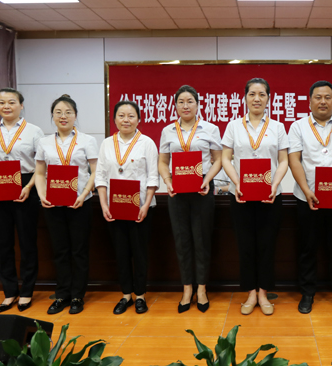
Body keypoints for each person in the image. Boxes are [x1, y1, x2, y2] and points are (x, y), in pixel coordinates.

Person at [288, 80, 332, 315]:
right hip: (307, 198)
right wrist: (306, 190)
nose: (323, 101)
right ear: (310, 101)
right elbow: (294, 159)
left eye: (328, 97)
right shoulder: (298, 127)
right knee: (307, 248)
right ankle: (307, 293)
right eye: (318, 97)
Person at [221, 78, 289, 316]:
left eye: (261, 94)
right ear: (245, 98)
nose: (257, 99)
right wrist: (237, 183)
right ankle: (251, 292)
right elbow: (225, 158)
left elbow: (283, 160)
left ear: (269, 98)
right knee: (246, 245)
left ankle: (263, 293)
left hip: (270, 195)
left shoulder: (278, 127)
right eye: (252, 94)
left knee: (267, 245)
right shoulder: (233, 126)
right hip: (241, 195)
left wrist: (275, 184)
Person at [0, 88, 44, 312]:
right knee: (3, 243)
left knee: (27, 242)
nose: (6, 106)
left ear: (21, 105)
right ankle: (10, 291)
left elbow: (42, 165)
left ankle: (27, 292)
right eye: (1, 102)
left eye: (11, 102)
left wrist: (29, 186)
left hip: (25, 185)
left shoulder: (34, 131)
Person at [158, 85, 223, 313]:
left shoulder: (210, 129)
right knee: (182, 240)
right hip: (177, 189)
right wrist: (167, 181)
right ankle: (187, 289)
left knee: (202, 239)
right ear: (175, 106)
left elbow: (218, 159)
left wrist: (208, 180)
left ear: (197, 104)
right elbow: (163, 161)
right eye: (181, 102)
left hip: (202, 187)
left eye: (190, 101)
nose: (185, 106)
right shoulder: (168, 130)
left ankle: (202, 289)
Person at [34, 94, 98, 315]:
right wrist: (42, 195)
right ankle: (62, 295)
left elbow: (95, 171)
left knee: (79, 251)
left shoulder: (87, 141)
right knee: (60, 251)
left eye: (68, 112)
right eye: (58, 112)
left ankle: (78, 296)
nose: (63, 116)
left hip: (80, 203)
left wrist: (85, 193)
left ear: (75, 116)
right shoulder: (44, 142)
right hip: (53, 204)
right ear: (52, 116)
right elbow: (39, 173)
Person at [95, 100, 159, 315]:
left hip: (140, 207)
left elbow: (153, 177)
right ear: (114, 119)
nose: (126, 120)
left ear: (138, 119)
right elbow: (100, 176)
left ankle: (140, 295)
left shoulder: (147, 143)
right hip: (115, 208)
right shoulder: (106, 144)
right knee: (121, 253)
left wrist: (146, 205)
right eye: (121, 116)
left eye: (131, 116)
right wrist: (104, 204)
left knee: (139, 253)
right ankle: (125, 295)